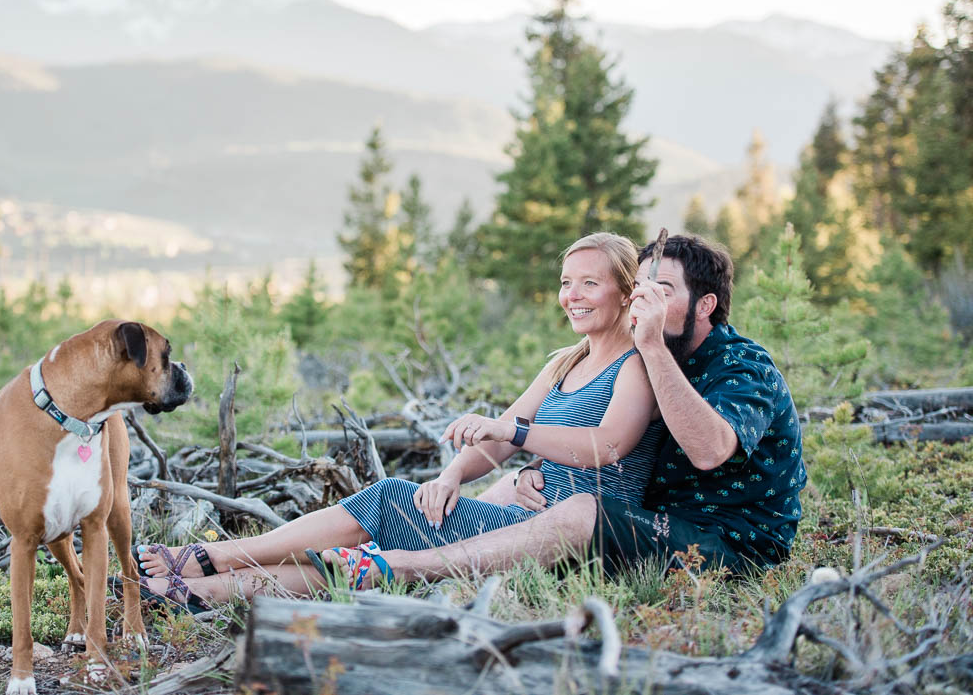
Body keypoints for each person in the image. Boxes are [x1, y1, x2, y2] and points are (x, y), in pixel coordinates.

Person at [134, 232, 664, 603]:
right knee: (381, 540)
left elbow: (607, 447)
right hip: (528, 521)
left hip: (580, 542)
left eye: (588, 284)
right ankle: (207, 591)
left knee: (390, 501)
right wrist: (451, 476)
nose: (571, 296)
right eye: (566, 282)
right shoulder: (564, 362)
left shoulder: (635, 366)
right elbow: (495, 445)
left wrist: (515, 432)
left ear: (625, 292)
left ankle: (216, 557)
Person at [302, 234, 806, 587]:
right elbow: (618, 442)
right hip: (647, 524)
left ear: (705, 306)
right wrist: (536, 467)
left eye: (664, 291)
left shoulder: (741, 365)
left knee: (580, 511)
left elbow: (708, 451)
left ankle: (403, 567)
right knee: (491, 492)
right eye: (643, 289)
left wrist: (648, 344)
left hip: (730, 548)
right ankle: (233, 574)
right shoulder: (649, 357)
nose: (645, 300)